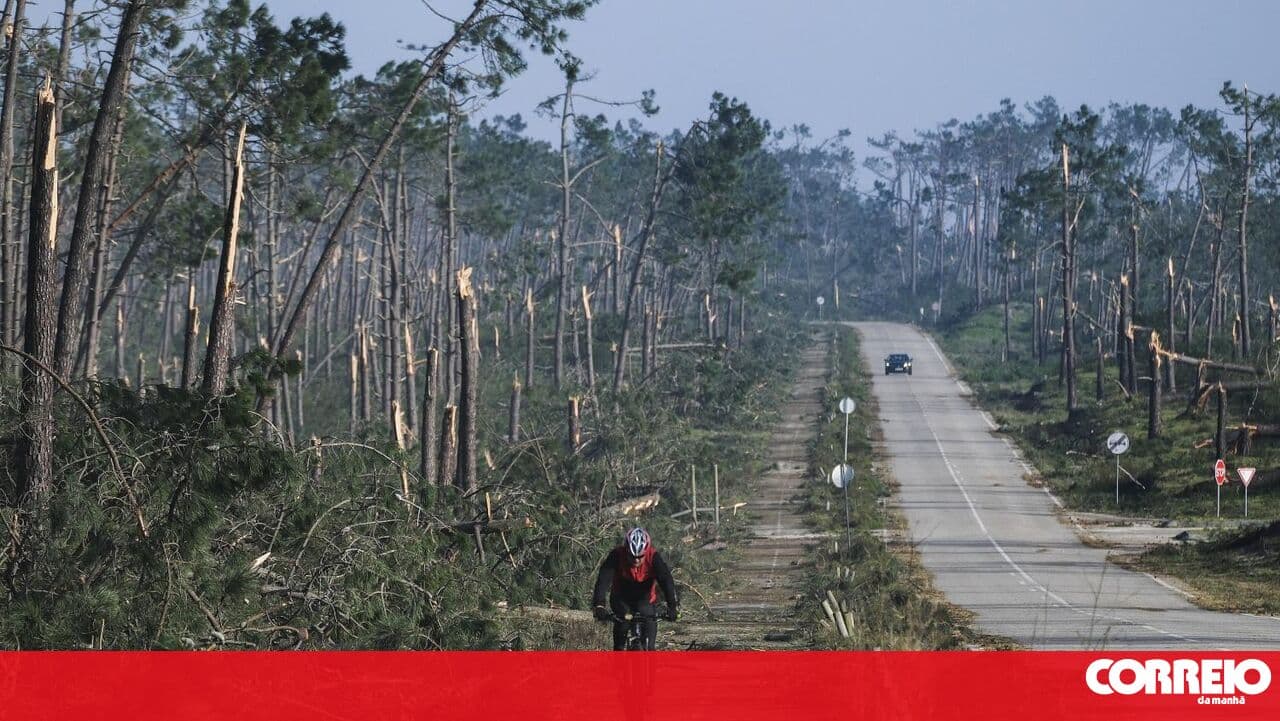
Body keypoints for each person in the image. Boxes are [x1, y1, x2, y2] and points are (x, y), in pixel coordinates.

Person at [591, 527, 678, 650]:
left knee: (650, 646)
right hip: (622, 598)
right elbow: (603, 580)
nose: (636, 560)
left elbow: (666, 581)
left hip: (645, 599)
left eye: (640, 556)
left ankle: (649, 666)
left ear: (646, 551)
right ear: (626, 550)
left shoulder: (653, 557)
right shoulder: (616, 555)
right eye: (632, 556)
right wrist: (599, 605)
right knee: (620, 640)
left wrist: (673, 606)